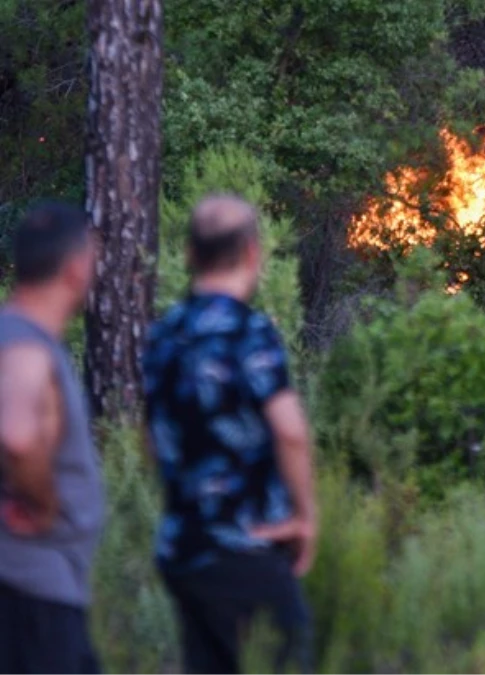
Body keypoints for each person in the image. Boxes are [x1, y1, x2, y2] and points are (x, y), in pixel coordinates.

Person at [143, 193, 317, 675]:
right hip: (243, 547)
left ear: (190, 254)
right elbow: (291, 432)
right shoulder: (249, 332)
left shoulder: (163, 334)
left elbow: (152, 438)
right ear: (252, 252)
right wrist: (304, 517)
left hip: (182, 551)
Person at [0, 202, 104, 675]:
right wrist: (44, 506)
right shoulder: (25, 343)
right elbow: (18, 436)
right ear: (76, 267)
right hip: (33, 590)